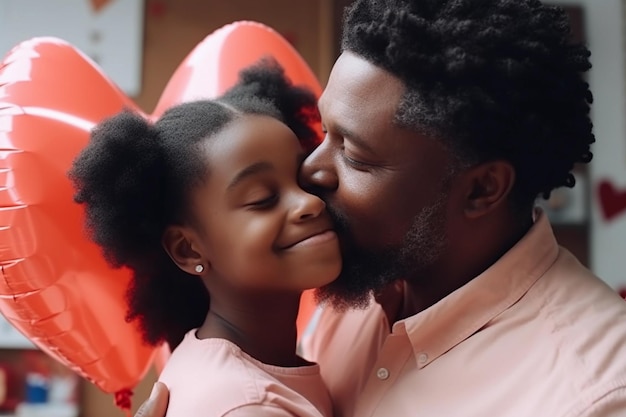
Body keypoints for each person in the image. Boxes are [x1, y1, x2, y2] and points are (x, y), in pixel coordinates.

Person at [135, 0, 626, 416]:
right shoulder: (358, 280)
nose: (311, 173)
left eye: (354, 155)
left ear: (482, 190)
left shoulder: (594, 393)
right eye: (325, 133)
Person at [70, 59, 342, 416]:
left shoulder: (244, 367)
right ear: (188, 249)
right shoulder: (250, 406)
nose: (308, 202)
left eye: (305, 180)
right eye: (262, 198)